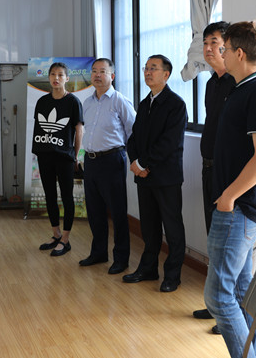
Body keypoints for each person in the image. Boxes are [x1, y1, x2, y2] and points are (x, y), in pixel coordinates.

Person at [203, 21, 256, 358]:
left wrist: (230, 196)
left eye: (224, 48)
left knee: (218, 297)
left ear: (239, 53)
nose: (219, 54)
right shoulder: (240, 89)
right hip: (236, 208)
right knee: (241, 292)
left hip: (238, 209)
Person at [123, 54, 187, 293]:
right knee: (149, 227)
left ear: (166, 74)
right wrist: (135, 161)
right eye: (146, 68)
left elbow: (169, 143)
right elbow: (134, 137)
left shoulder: (176, 104)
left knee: (172, 228)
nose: (148, 72)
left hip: (166, 177)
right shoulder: (144, 103)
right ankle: (148, 269)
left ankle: (173, 276)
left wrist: (143, 163)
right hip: (144, 176)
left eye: (153, 68)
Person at [192, 21, 235, 335]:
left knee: (229, 243)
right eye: (205, 42)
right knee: (213, 238)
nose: (208, 48)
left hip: (229, 174)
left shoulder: (239, 83)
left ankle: (230, 310)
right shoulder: (211, 83)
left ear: (229, 46)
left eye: (214, 42)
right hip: (209, 168)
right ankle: (216, 302)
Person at [79, 58, 136, 274]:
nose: (97, 75)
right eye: (94, 71)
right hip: (90, 161)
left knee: (118, 211)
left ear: (112, 76)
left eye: (102, 71)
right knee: (94, 210)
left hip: (112, 160)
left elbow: (133, 132)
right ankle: (99, 252)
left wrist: (133, 160)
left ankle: (121, 258)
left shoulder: (120, 101)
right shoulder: (87, 102)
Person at [32, 62, 84, 257]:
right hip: (45, 154)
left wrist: (76, 155)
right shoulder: (42, 101)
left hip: (65, 157)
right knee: (49, 195)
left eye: (60, 75)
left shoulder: (73, 101)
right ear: (49, 78)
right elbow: (39, 128)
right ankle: (56, 234)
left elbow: (79, 130)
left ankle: (66, 239)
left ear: (67, 78)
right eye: (53, 74)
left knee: (67, 196)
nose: (56, 78)